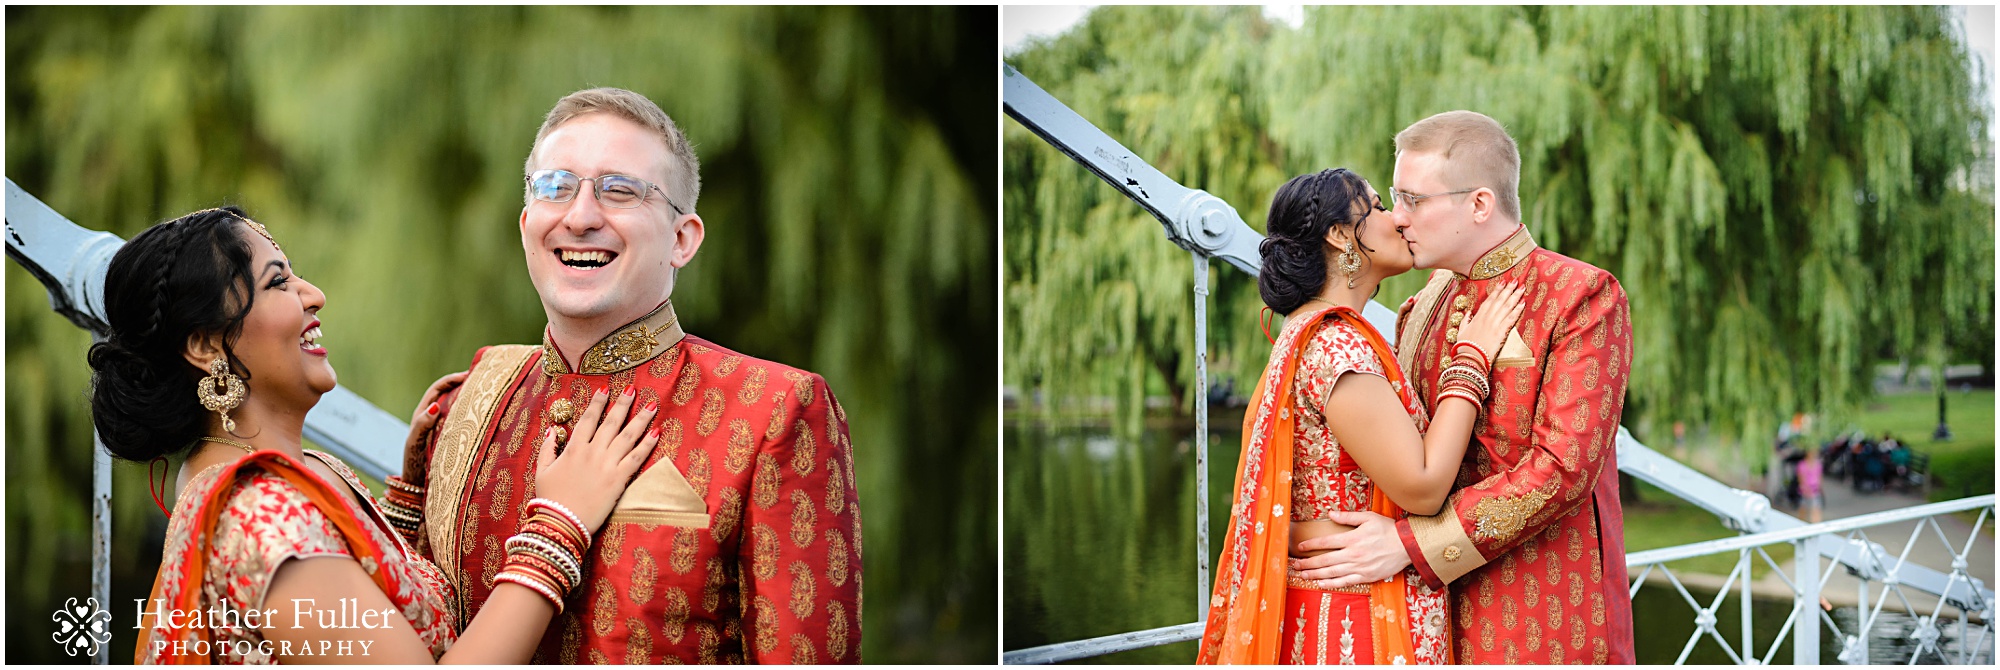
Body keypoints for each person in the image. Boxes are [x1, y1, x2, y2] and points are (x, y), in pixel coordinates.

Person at [392, 88, 862, 664]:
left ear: (682, 240)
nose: (581, 216)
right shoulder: (469, 400)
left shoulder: (773, 409)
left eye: (620, 190)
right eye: (555, 187)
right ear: (526, 224)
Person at [92, 207, 654, 663]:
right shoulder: (263, 523)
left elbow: (375, 604)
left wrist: (409, 497)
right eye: (278, 282)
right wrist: (559, 523)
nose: (313, 295)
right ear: (206, 346)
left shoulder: (303, 472)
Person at [1289, 111, 1637, 664]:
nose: (1397, 219)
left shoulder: (1581, 295)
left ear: (1479, 203)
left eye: (1413, 200)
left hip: (1540, 610)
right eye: (1393, 200)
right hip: (1420, 613)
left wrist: (1411, 545)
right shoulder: (1419, 306)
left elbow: (1564, 467)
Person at [1197, 169, 1527, 665]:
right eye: (1375, 207)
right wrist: (1473, 357)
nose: (1396, 217)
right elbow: (1422, 485)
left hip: (1336, 603)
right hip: (1353, 623)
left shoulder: (1310, 331)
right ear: (1338, 235)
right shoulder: (1338, 345)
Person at [1798, 447, 1824, 523]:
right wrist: (1806, 488)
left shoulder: (1818, 464)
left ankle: (1816, 525)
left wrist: (1819, 487)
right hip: (1805, 490)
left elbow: (1819, 477)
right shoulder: (1802, 465)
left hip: (1815, 489)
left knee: (1816, 508)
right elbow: (1801, 478)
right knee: (1803, 509)